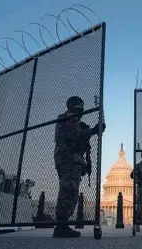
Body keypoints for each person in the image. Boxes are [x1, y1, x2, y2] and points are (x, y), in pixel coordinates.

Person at [53, 96, 106, 238]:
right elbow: (76, 135)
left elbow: (81, 138)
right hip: (68, 158)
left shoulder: (76, 121)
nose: (81, 111)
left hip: (71, 159)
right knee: (69, 190)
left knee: (69, 189)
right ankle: (61, 225)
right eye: (79, 108)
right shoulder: (68, 118)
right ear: (72, 107)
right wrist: (93, 131)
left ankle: (62, 224)